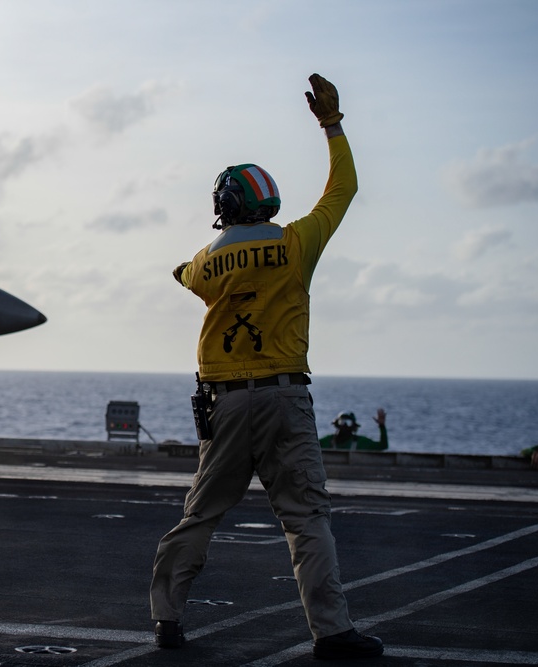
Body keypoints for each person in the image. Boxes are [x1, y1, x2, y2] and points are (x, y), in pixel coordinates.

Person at [149, 74, 383, 660]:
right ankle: (332, 633)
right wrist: (332, 126)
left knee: (200, 513)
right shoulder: (297, 243)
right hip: (285, 397)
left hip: (224, 403)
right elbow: (343, 190)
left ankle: (166, 620)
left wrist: (186, 269)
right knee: (307, 518)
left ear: (223, 208)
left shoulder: (207, 263)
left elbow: (184, 274)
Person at [320, 409, 388, 451]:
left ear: (353, 426)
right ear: (337, 424)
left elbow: (382, 446)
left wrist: (382, 426)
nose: (345, 425)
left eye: (348, 423)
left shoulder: (361, 442)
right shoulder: (327, 441)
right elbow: (310, 445)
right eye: (342, 422)